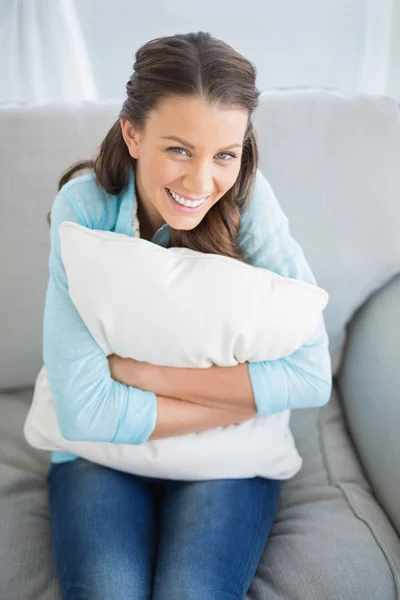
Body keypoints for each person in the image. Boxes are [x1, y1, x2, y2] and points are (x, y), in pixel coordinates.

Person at [45, 31, 332, 600]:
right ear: (132, 132)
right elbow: (83, 412)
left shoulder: (249, 201)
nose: (202, 183)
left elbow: (310, 375)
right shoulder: (83, 209)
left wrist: (145, 375)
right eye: (178, 149)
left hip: (226, 465)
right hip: (101, 462)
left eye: (225, 154)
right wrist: (235, 401)